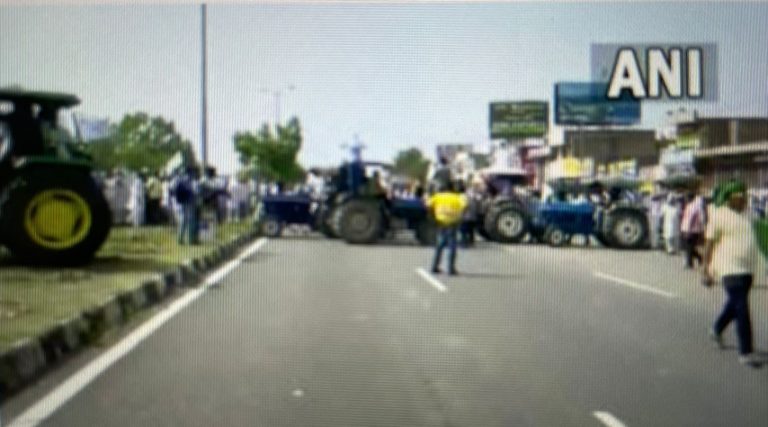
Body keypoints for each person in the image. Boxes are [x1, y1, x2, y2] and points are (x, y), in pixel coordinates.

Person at [703, 180, 762, 366]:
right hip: (728, 268)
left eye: (745, 197)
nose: (744, 200)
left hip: (747, 269)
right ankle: (746, 352)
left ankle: (716, 329)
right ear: (730, 199)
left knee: (734, 306)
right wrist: (705, 269)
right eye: (740, 197)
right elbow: (709, 244)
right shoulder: (719, 215)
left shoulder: (747, 215)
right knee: (742, 309)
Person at [426, 181, 467, 275]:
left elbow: (428, 205)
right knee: (452, 246)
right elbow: (465, 205)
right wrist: (459, 215)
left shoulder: (438, 196)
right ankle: (450, 269)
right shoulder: (457, 197)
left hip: (440, 222)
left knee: (439, 245)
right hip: (453, 223)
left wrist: (433, 215)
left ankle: (434, 266)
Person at [172, 167, 200, 245]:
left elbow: (173, 190)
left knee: (182, 220)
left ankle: (180, 239)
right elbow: (196, 192)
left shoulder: (179, 180)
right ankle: (190, 240)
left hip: (181, 203)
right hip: (190, 203)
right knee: (191, 220)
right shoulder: (192, 181)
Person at [681, 191, 706, 268]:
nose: (685, 199)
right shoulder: (689, 206)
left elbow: (690, 219)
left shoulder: (694, 207)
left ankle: (690, 263)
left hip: (692, 230)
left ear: (690, 198)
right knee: (688, 247)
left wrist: (687, 231)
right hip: (686, 229)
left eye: (686, 197)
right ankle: (698, 258)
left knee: (689, 247)